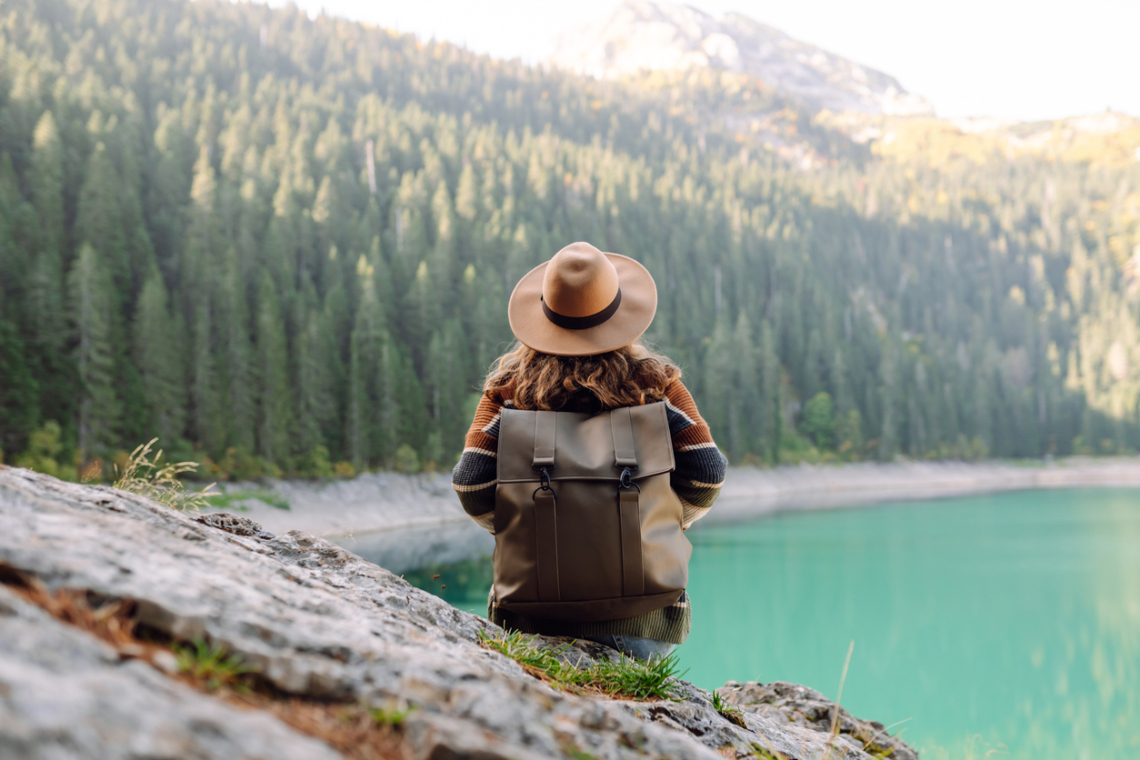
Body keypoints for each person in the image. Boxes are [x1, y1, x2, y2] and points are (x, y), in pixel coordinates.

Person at [452, 241, 727, 661]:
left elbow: (471, 486)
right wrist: (654, 519)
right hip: (643, 624)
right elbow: (707, 473)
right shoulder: (656, 384)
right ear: (620, 315)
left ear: (543, 316)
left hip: (529, 619)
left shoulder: (507, 392)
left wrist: (523, 523)